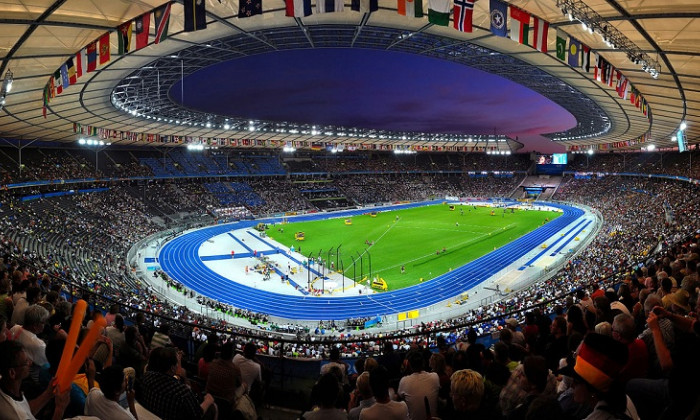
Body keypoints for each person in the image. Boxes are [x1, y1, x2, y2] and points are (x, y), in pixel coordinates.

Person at [136, 346, 215, 420]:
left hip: (150, 415)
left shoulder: (145, 377)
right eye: (177, 363)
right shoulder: (182, 393)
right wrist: (207, 401)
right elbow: (197, 415)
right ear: (172, 368)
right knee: (213, 407)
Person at [0, 340, 70, 420]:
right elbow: (23, 414)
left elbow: (26, 411)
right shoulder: (17, 415)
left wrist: (48, 393)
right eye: (26, 362)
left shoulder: (7, 388)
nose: (31, 363)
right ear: (12, 373)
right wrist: (60, 409)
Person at [397, 350, 439, 420]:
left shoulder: (404, 381)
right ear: (423, 363)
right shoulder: (435, 377)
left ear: (409, 365)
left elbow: (399, 397)